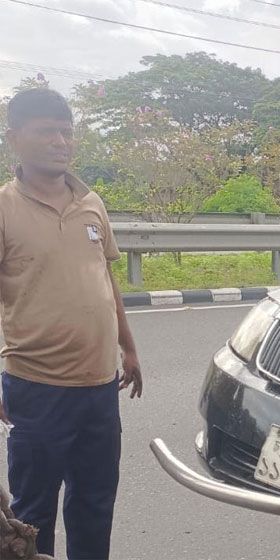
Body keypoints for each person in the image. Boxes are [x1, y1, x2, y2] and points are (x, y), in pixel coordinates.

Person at [0, 88, 142, 560]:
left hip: (100, 387)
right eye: (47, 131)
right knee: (33, 514)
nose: (60, 141)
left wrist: (129, 347)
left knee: (95, 503)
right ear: (15, 137)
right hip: (36, 387)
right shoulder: (4, 208)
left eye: (67, 132)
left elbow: (105, 278)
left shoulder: (91, 202)